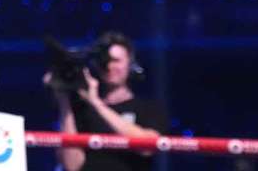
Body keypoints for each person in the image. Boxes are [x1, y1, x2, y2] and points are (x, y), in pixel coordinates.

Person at [45, 32, 169, 171]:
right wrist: (65, 102)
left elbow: (147, 147)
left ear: (131, 64)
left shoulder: (148, 107)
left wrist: (97, 103)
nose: (110, 66)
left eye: (116, 60)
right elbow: (72, 166)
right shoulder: (82, 110)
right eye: (105, 61)